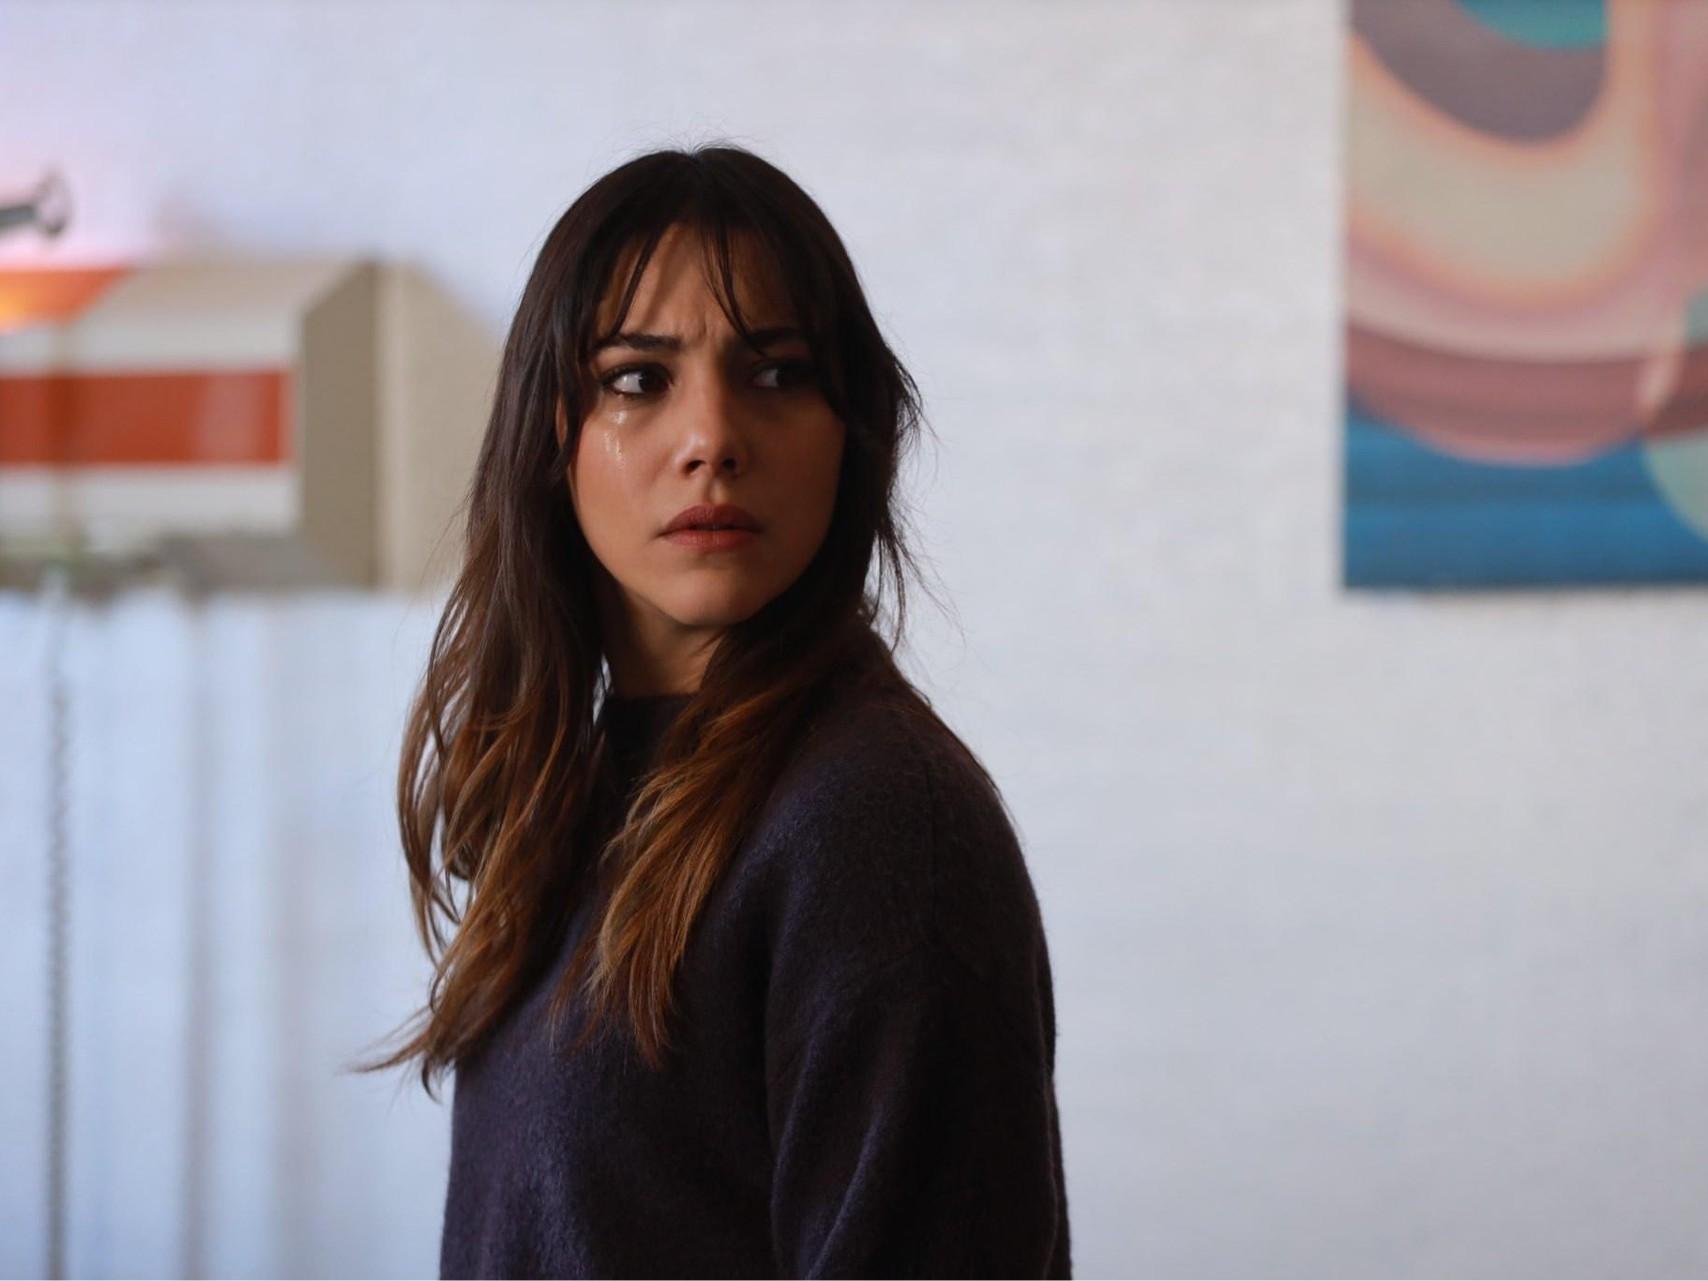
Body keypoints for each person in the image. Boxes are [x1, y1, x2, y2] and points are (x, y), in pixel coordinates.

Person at [359, 142, 1071, 1279]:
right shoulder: (583, 783)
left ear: (851, 429)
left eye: (777, 373)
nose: (712, 440)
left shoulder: (878, 821)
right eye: (639, 380)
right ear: (550, 433)